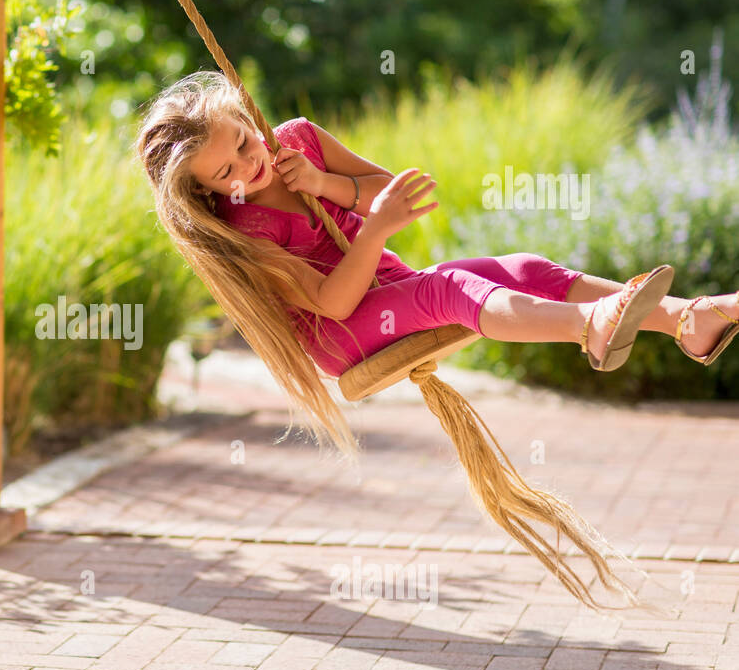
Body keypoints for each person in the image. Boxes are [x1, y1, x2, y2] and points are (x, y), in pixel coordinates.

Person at [133, 71, 739, 458]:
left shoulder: (298, 140)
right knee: (449, 289)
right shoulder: (246, 233)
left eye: (243, 142)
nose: (246, 166)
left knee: (522, 268)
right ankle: (592, 325)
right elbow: (335, 302)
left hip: (388, 286)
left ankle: (690, 320)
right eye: (226, 173)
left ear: (247, 117)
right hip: (345, 333)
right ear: (210, 194)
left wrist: (324, 182)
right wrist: (375, 228)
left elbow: (380, 189)